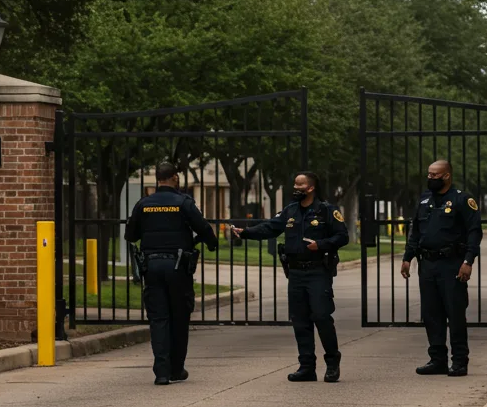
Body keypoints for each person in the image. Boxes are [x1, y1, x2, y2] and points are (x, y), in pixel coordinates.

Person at [231, 171, 349, 382]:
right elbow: (270, 228)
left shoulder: (326, 211)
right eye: (295, 184)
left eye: (300, 185)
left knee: (321, 317)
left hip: (317, 271)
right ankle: (306, 367)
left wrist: (320, 245)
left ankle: (332, 363)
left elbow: (342, 236)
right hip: (295, 273)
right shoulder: (290, 211)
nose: (296, 189)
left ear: (311, 188)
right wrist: (246, 232)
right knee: (300, 320)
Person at [124, 162, 218, 386]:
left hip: (152, 267)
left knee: (158, 319)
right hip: (178, 267)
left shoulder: (144, 204)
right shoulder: (184, 202)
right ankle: (177, 369)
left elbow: (130, 234)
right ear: (175, 177)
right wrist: (211, 243)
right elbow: (203, 228)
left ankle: (161, 372)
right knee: (179, 317)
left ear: (157, 178)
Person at [400, 159, 483, 377]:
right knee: (431, 314)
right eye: (429, 175)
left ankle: (459, 361)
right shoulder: (425, 199)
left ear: (447, 176)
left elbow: (474, 231)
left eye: (435, 175)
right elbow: (416, 231)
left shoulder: (462, 199)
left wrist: (468, 261)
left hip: (452, 264)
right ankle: (437, 359)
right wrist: (408, 257)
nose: (431, 179)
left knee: (454, 313)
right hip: (427, 264)